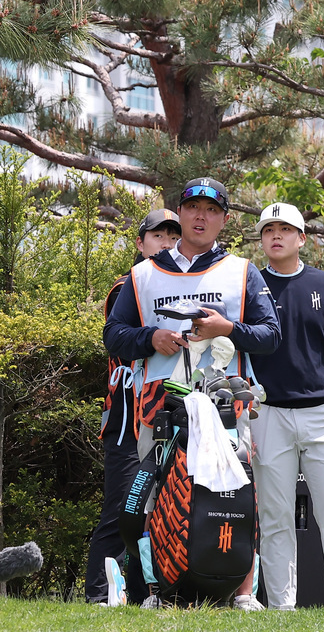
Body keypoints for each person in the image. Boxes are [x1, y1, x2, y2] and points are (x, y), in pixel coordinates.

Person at [102, 177, 281, 609]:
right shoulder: (143, 273)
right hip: (160, 408)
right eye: (193, 208)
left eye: (212, 210)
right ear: (179, 214)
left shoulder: (242, 272)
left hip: (226, 405)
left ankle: (242, 592)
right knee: (151, 498)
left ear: (223, 219)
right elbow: (114, 335)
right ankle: (154, 590)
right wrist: (151, 339)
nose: (201, 216)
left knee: (239, 494)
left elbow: (271, 335)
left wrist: (227, 329)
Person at [227, 202, 324, 614]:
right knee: (274, 517)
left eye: (285, 229)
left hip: (322, 413)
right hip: (267, 414)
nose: (276, 235)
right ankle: (281, 610)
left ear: (301, 238)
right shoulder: (249, 287)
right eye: (268, 229)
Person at [84, 208, 180, 606]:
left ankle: (145, 595)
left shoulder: (183, 284)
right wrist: (158, 336)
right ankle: (99, 596)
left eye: (173, 236)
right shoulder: (126, 287)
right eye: (158, 236)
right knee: (123, 511)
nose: (167, 243)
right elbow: (120, 339)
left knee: (160, 512)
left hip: (165, 418)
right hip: (127, 421)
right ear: (140, 244)